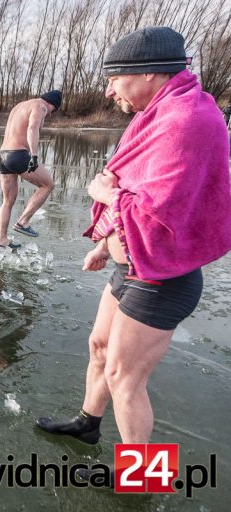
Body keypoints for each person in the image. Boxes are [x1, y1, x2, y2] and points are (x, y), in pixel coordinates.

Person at [36, 27, 231, 458]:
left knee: (126, 379)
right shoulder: (162, 114)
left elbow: (163, 209)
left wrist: (107, 196)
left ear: (146, 74)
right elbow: (149, 190)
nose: (107, 93)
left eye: (113, 79)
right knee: (100, 348)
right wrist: (106, 243)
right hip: (134, 264)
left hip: (162, 275)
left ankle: (141, 477)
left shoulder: (185, 120)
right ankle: (88, 424)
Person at [0, 90, 59, 248]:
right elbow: (32, 128)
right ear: (53, 106)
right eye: (53, 111)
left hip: (3, 155)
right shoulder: (41, 106)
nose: (49, 114)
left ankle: (2, 239)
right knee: (48, 185)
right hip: (18, 154)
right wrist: (34, 156)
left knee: (7, 201)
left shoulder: (20, 105)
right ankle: (23, 221)